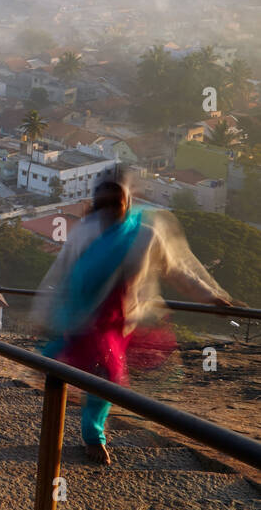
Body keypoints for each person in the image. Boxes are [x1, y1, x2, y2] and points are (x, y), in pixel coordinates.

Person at [31, 172, 234, 465]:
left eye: (117, 200)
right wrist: (44, 310)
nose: (111, 207)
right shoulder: (84, 231)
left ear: (128, 200)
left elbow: (176, 270)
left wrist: (211, 297)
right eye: (104, 200)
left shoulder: (145, 235)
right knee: (105, 374)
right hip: (82, 318)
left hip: (118, 323)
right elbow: (61, 272)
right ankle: (90, 434)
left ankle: (84, 420)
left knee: (102, 373)